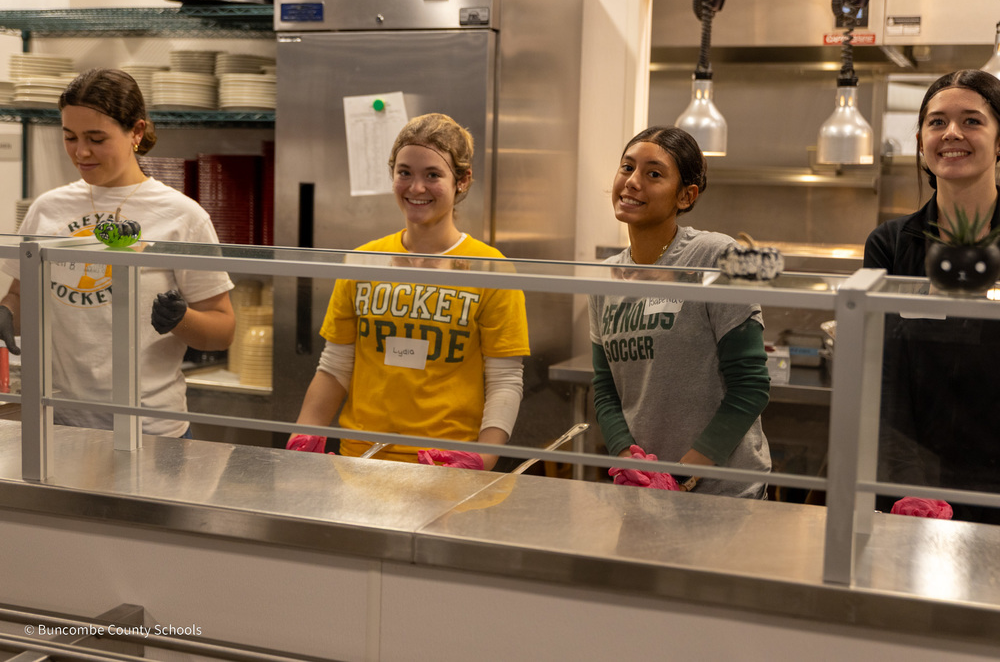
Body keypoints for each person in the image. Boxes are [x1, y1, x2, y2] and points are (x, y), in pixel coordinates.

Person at [0, 68, 235, 438]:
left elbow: (222, 331)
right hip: (61, 425)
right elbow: (19, 297)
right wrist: (8, 312)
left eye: (96, 138)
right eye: (70, 137)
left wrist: (181, 319)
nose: (81, 152)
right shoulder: (47, 209)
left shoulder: (182, 216)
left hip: (151, 431)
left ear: (136, 132)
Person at [289, 113, 530, 470]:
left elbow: (505, 381)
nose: (416, 188)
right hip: (359, 462)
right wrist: (303, 435)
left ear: (462, 181)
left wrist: (483, 457)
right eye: (405, 173)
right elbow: (336, 366)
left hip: (444, 465)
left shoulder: (490, 267)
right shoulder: (362, 261)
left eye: (433, 175)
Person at [588, 126, 771, 498]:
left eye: (653, 174)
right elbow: (606, 389)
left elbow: (750, 386)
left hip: (724, 496)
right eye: (627, 168)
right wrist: (631, 461)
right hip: (645, 491)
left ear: (685, 197)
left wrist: (682, 475)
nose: (632, 182)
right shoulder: (605, 274)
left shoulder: (716, 255)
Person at [864, 69, 1000, 523]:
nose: (952, 133)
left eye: (972, 121)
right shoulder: (890, 244)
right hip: (910, 485)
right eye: (937, 122)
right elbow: (879, 376)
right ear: (921, 141)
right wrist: (902, 481)